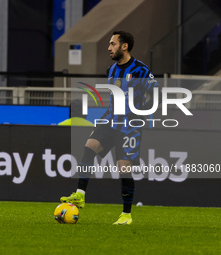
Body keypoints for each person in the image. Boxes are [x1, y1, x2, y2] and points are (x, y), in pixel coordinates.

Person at [60, 31, 159, 225]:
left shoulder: (141, 70)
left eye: (113, 44)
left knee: (123, 168)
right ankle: (80, 195)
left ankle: (126, 215)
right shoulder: (111, 70)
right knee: (89, 147)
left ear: (124, 46)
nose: (109, 48)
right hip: (110, 119)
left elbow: (156, 95)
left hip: (129, 125)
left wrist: (139, 114)